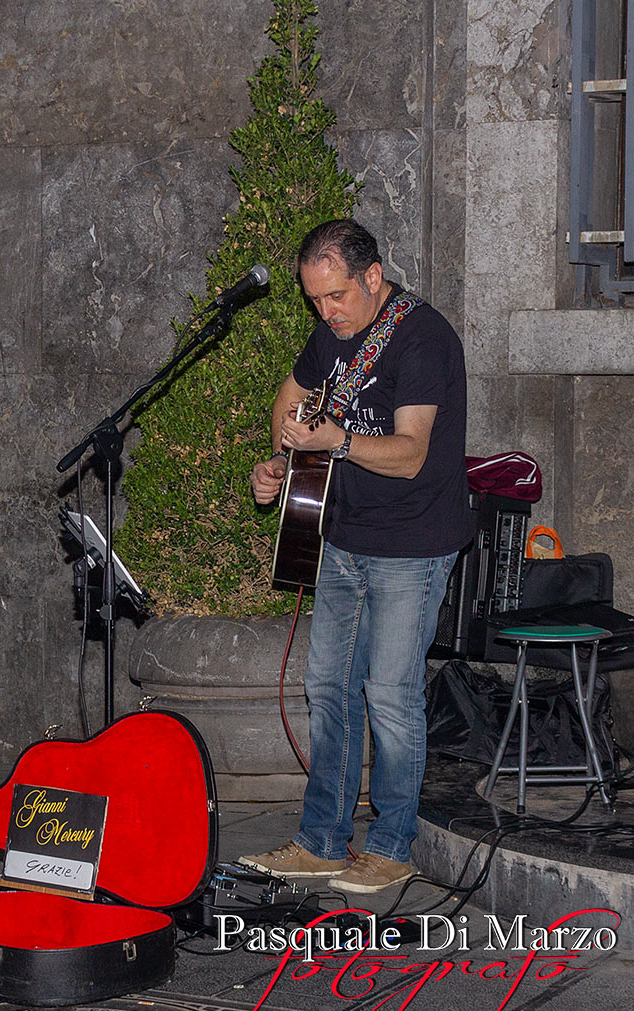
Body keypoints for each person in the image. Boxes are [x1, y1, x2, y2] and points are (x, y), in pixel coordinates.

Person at [239, 219, 469, 894]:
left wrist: (335, 443)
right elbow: (289, 399)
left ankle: (393, 844)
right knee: (329, 690)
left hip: (413, 543)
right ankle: (321, 842)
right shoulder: (335, 332)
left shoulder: (421, 337)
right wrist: (281, 460)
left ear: (372, 277)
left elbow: (410, 454)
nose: (326, 312)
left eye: (336, 295)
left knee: (391, 696)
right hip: (341, 535)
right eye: (315, 300)